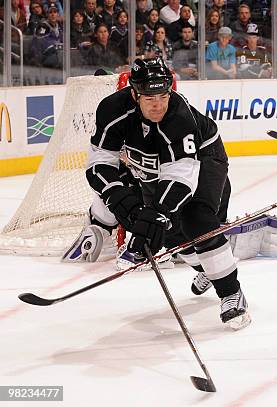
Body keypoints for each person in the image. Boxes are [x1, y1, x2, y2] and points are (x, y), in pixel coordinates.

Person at [68, 58, 251, 330]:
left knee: (195, 219)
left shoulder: (179, 116)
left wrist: (157, 213)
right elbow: (99, 165)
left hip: (203, 158)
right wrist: (125, 204)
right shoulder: (111, 110)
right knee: (170, 233)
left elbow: (182, 178)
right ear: (134, 94)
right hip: (152, 165)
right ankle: (206, 270)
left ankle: (230, 293)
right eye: (150, 98)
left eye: (163, 96)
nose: (158, 105)